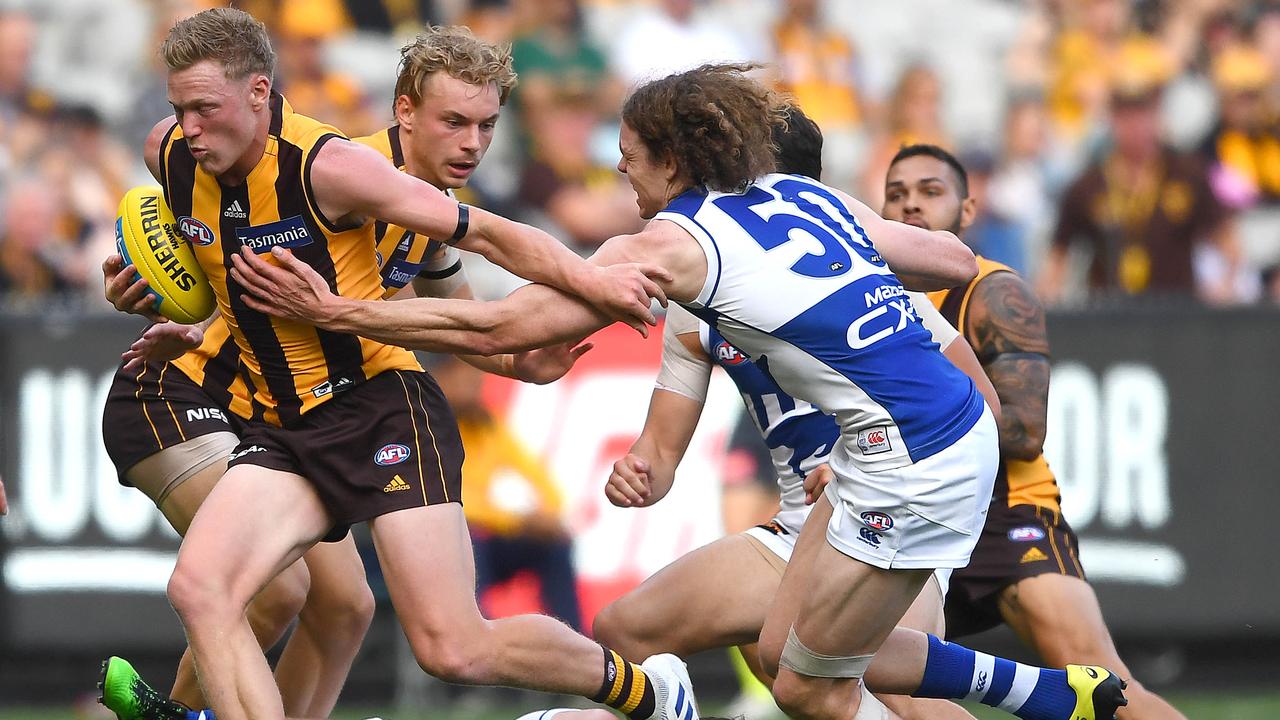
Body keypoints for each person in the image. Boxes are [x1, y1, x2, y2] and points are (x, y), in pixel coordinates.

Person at [231, 64, 1128, 720]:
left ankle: (1042, 697)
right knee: (772, 652)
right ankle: (1046, 695)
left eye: (628, 157)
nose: (620, 173)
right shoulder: (800, 198)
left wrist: (340, 313)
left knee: (813, 687)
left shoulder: (668, 244)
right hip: (893, 446)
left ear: (671, 160)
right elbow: (955, 259)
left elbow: (499, 330)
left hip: (911, 458)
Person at [104, 10, 688, 720]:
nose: (472, 144)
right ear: (405, 112)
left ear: (259, 94)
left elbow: (476, 290)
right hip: (270, 415)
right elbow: (211, 260)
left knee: (447, 646)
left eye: (486, 126)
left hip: (377, 406)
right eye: (454, 122)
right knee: (208, 590)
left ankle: (649, 693)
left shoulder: (377, 190)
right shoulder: (328, 169)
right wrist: (147, 292)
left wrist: (523, 353)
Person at [589, 104, 988, 720]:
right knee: (626, 631)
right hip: (799, 525)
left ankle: (1037, 693)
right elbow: (660, 453)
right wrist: (641, 470)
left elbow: (980, 401)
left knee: (883, 689)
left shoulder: (847, 277)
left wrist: (852, 463)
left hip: (886, 499)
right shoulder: (696, 294)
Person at [882, 143, 1187, 720]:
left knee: (1104, 686)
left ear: (967, 211)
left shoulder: (993, 291)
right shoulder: (863, 297)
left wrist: (891, 438)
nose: (911, 207)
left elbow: (1022, 432)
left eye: (930, 191)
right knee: (876, 677)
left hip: (1006, 514)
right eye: (896, 195)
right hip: (914, 513)